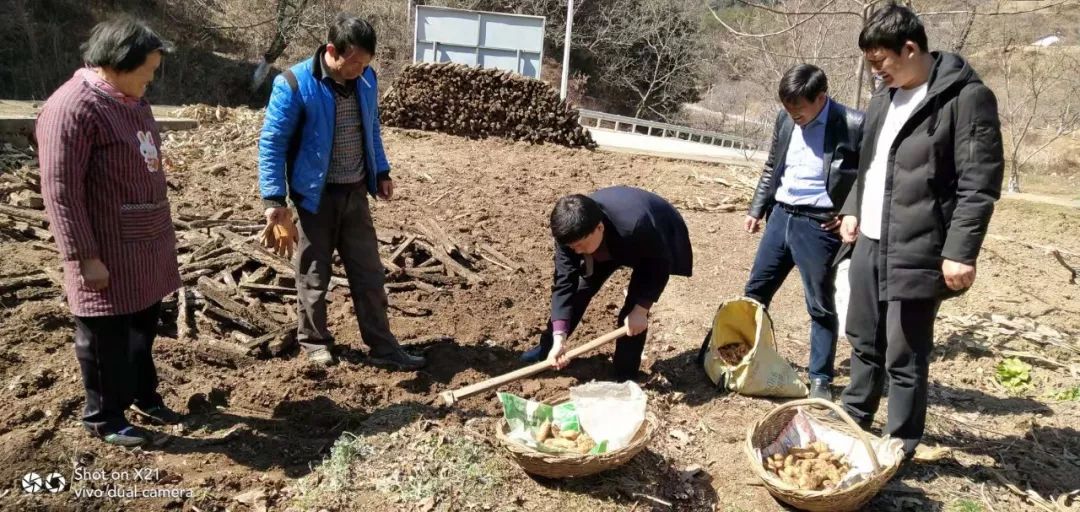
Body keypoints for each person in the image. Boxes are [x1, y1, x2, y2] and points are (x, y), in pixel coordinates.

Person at [838, 1, 1004, 458]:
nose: (877, 74)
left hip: (919, 247)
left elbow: (979, 183)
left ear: (910, 49)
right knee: (862, 337)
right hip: (870, 239)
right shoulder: (882, 98)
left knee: (904, 352)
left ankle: (901, 440)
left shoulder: (965, 98)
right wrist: (853, 207)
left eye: (881, 63)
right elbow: (868, 165)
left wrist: (961, 251)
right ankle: (853, 416)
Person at [37, 17, 183, 447]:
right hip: (106, 249)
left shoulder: (131, 101)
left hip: (144, 241)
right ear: (120, 63)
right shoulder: (72, 108)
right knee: (105, 337)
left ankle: (143, 395)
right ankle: (104, 416)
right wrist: (84, 255)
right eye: (148, 71)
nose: (151, 80)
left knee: (142, 327)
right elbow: (60, 191)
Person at [258, 14, 425, 369]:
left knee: (369, 275)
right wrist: (274, 199)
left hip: (355, 194)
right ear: (333, 51)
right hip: (313, 198)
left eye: (366, 63)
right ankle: (315, 342)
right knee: (314, 275)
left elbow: (372, 128)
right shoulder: (293, 83)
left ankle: (383, 347)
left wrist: (381, 171)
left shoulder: (366, 80)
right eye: (355, 62)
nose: (360, 70)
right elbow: (272, 143)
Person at [743, 64, 863, 401]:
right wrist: (757, 208)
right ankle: (738, 355)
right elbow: (772, 165)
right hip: (780, 215)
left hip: (819, 225)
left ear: (821, 97)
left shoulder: (852, 124)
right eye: (787, 107)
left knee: (820, 304)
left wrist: (852, 211)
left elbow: (871, 173)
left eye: (799, 108)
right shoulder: (785, 120)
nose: (793, 114)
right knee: (755, 291)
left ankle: (821, 378)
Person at [520, 186, 693, 381]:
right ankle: (547, 348)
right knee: (579, 290)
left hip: (652, 238)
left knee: (632, 315)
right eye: (571, 246)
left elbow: (658, 265)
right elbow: (564, 282)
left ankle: (625, 374)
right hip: (608, 242)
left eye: (579, 245)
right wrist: (559, 336)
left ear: (599, 228)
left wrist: (641, 309)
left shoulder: (637, 226)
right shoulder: (570, 232)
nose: (576, 251)